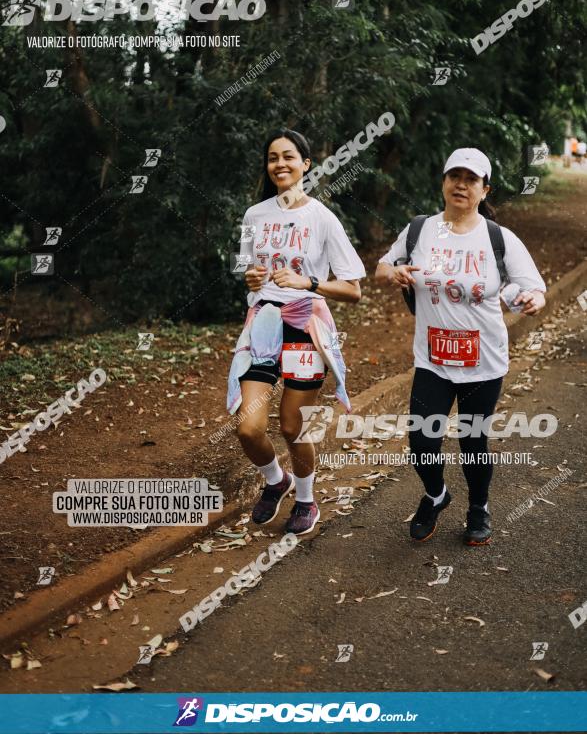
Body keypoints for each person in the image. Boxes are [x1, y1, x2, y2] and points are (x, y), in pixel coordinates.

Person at [375, 148, 546, 545]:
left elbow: (534, 288)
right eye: (455, 176)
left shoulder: (498, 238)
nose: (462, 185)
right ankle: (436, 495)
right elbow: (384, 265)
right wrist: (393, 272)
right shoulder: (420, 229)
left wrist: (535, 299)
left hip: (483, 363)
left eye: (472, 179)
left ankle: (479, 507)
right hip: (433, 360)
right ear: (444, 182)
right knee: (421, 443)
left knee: (472, 443)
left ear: (485, 190)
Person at [227, 128, 365, 535]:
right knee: (248, 428)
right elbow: (245, 268)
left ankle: (306, 498)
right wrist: (251, 277)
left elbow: (354, 289)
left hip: (306, 325)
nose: (280, 164)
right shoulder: (254, 215)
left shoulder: (322, 218)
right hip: (263, 326)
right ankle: (276, 481)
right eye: (273, 158)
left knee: (292, 426)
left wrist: (309, 283)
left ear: (306, 164)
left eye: (289, 156)